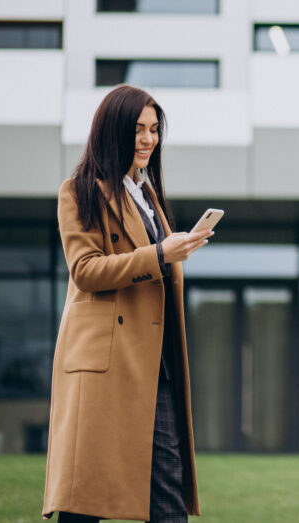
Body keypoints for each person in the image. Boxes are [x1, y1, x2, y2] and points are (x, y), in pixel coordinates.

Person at [43, 85, 211, 522]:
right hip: (106, 365)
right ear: (113, 130)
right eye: (138, 129)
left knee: (168, 496)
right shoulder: (77, 192)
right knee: (85, 502)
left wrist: (175, 251)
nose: (148, 140)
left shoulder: (149, 195)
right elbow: (86, 270)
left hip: (157, 363)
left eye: (155, 130)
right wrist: (160, 255)